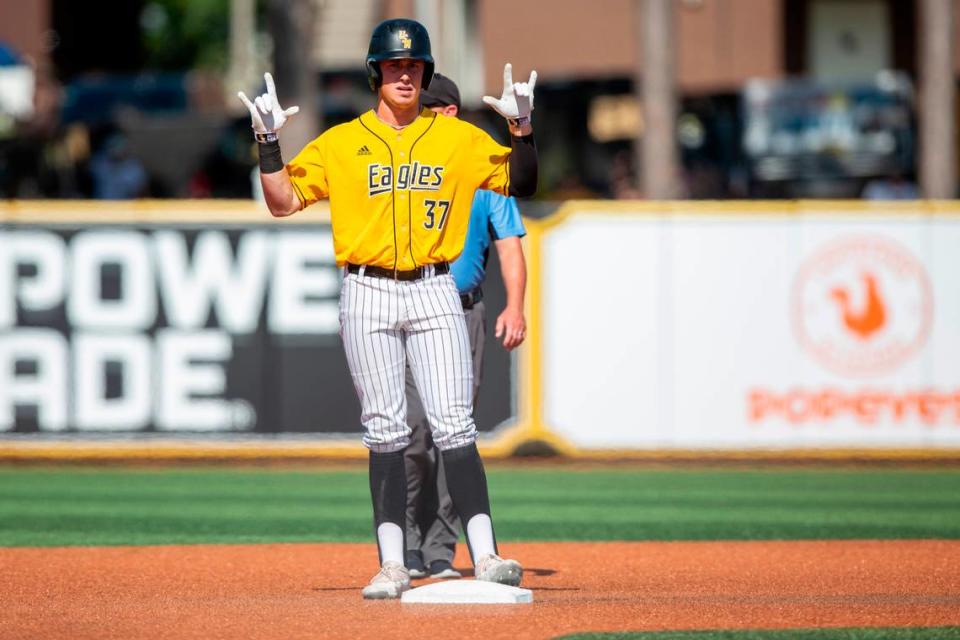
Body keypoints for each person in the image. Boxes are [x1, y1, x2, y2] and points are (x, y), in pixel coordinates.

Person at [238, 18, 538, 600]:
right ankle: (392, 564)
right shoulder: (342, 142)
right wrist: (269, 145)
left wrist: (522, 129)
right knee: (385, 431)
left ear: (426, 74)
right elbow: (282, 202)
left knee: (455, 425)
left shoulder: (457, 137)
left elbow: (522, 183)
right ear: (377, 72)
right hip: (367, 289)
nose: (406, 74)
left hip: (435, 285)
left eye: (415, 66)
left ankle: (487, 556)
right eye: (395, 66)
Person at [402, 73, 527, 581]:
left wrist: (514, 305)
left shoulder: (479, 164)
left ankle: (440, 548)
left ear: (448, 112)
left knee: (453, 434)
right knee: (410, 433)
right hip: (405, 303)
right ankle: (404, 542)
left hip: (462, 309)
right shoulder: (406, 160)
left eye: (428, 110)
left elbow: (510, 244)